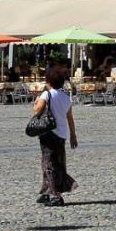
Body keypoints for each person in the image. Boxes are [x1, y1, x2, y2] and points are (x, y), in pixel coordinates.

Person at [32, 63, 78, 206]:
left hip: (48, 133)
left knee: (48, 164)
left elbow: (37, 111)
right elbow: (70, 117)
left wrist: (35, 103)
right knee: (56, 162)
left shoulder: (47, 94)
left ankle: (55, 195)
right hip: (62, 134)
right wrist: (73, 135)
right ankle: (46, 191)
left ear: (49, 81)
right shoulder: (65, 97)